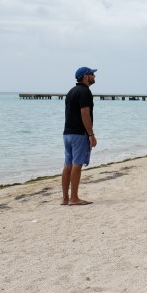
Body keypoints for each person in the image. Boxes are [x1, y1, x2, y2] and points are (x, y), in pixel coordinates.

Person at [62, 66, 98, 206]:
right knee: (77, 164)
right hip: (79, 134)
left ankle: (65, 198)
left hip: (67, 133)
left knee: (68, 165)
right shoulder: (85, 92)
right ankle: (74, 198)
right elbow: (85, 114)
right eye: (92, 74)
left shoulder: (71, 91)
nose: (94, 76)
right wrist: (91, 135)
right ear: (85, 76)